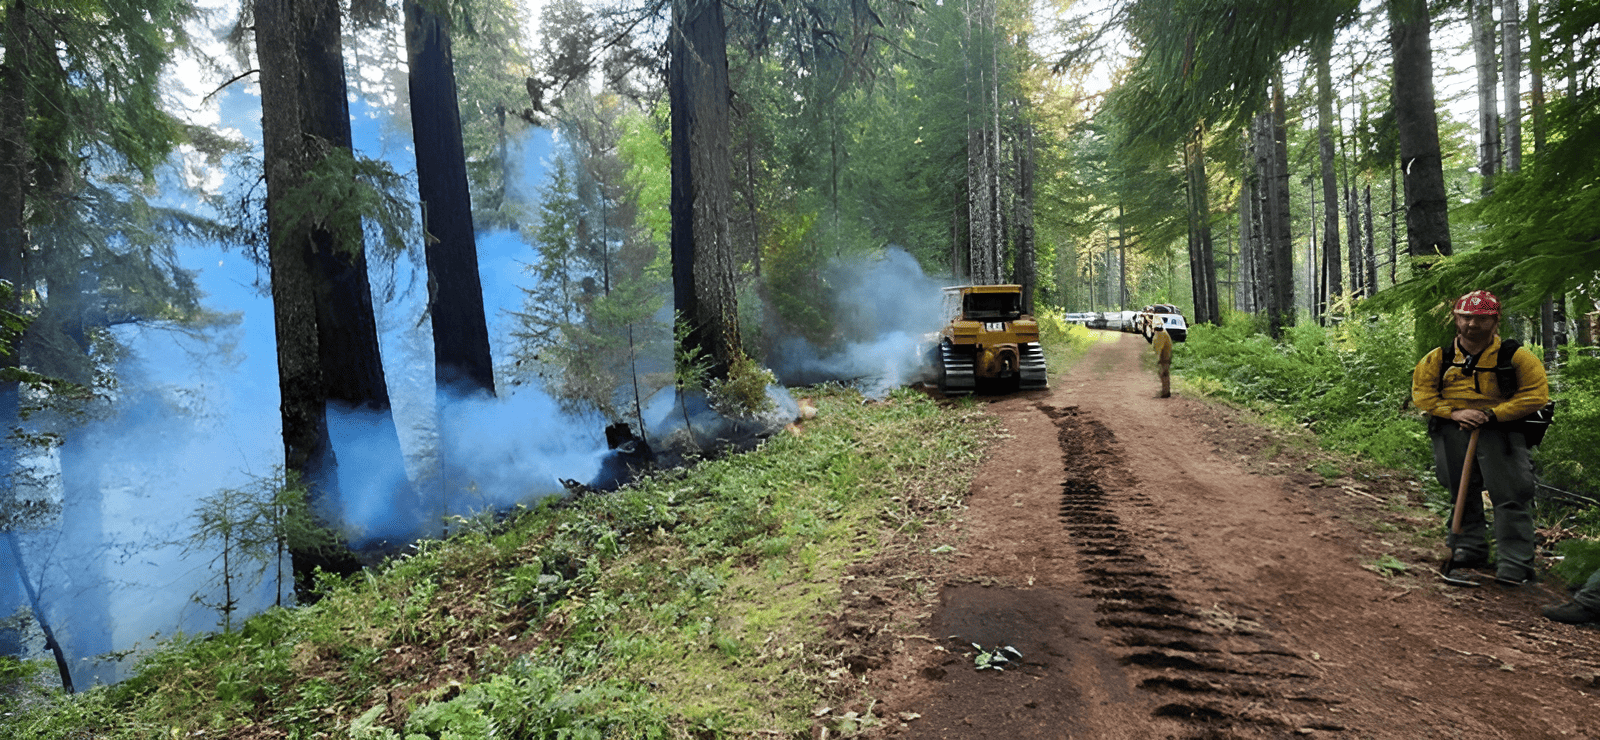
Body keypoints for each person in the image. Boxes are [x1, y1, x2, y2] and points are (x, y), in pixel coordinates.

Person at [1411, 290, 1550, 587]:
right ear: (1456, 319)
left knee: (1510, 495)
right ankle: (1468, 548)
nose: (1472, 324)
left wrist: (1491, 414)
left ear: (1495, 321)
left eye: (1481, 319)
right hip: (1452, 429)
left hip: (1502, 433)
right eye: (1466, 317)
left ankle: (1515, 563)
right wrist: (1455, 413)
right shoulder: (1439, 357)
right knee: (1460, 489)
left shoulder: (1517, 357)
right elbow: (1423, 394)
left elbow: (1536, 396)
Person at [1152, 317, 1173, 398]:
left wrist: (1156, 359)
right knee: (1164, 374)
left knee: (1163, 373)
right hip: (1166, 356)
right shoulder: (1163, 333)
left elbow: (1158, 348)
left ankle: (1165, 392)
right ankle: (1166, 391)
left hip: (1164, 357)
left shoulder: (1160, 335)